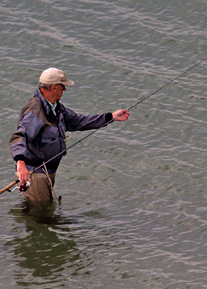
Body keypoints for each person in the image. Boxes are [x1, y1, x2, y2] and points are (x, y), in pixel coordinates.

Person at [8, 67, 128, 208]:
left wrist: (111, 117)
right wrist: (21, 164)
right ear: (54, 87)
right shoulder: (35, 111)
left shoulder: (56, 107)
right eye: (62, 86)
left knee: (40, 212)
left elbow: (79, 121)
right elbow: (19, 137)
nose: (64, 90)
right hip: (35, 175)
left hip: (47, 172)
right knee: (42, 216)